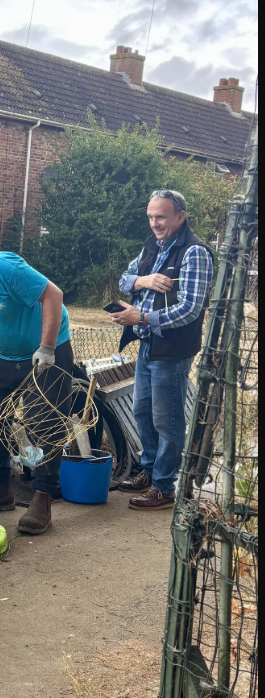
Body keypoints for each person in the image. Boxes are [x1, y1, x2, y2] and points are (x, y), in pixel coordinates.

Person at [111, 190, 213, 510]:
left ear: (180, 217)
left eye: (162, 217)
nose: (155, 223)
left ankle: (164, 487)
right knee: (143, 411)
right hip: (147, 345)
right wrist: (146, 281)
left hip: (173, 350)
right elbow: (124, 281)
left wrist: (140, 316)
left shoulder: (195, 253)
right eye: (151, 217)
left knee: (166, 420)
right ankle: (150, 470)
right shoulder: (152, 246)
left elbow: (189, 310)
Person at [0, 252, 72, 535]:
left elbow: (54, 295)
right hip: (0, 354)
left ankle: (43, 497)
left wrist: (47, 347)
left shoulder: (4, 269)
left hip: (45, 348)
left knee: (43, 421)